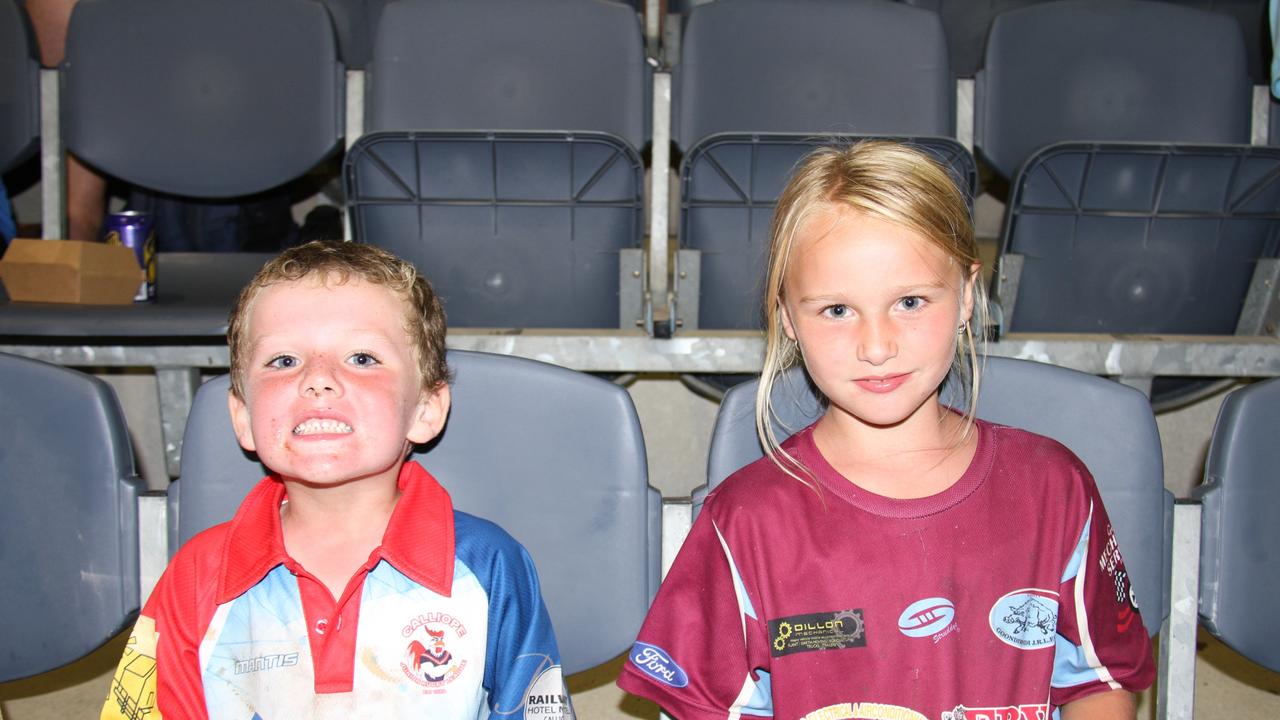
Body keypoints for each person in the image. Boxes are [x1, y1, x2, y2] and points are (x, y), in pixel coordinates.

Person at [617, 141, 1155, 720]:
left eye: (910, 301)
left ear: (968, 295)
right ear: (788, 319)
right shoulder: (744, 522)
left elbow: (1099, 682)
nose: (877, 347)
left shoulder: (1055, 487)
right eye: (837, 310)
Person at [101, 241, 574, 719]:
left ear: (426, 410)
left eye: (362, 358)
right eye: (283, 360)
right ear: (243, 418)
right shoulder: (197, 576)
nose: (318, 379)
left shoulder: (490, 566)